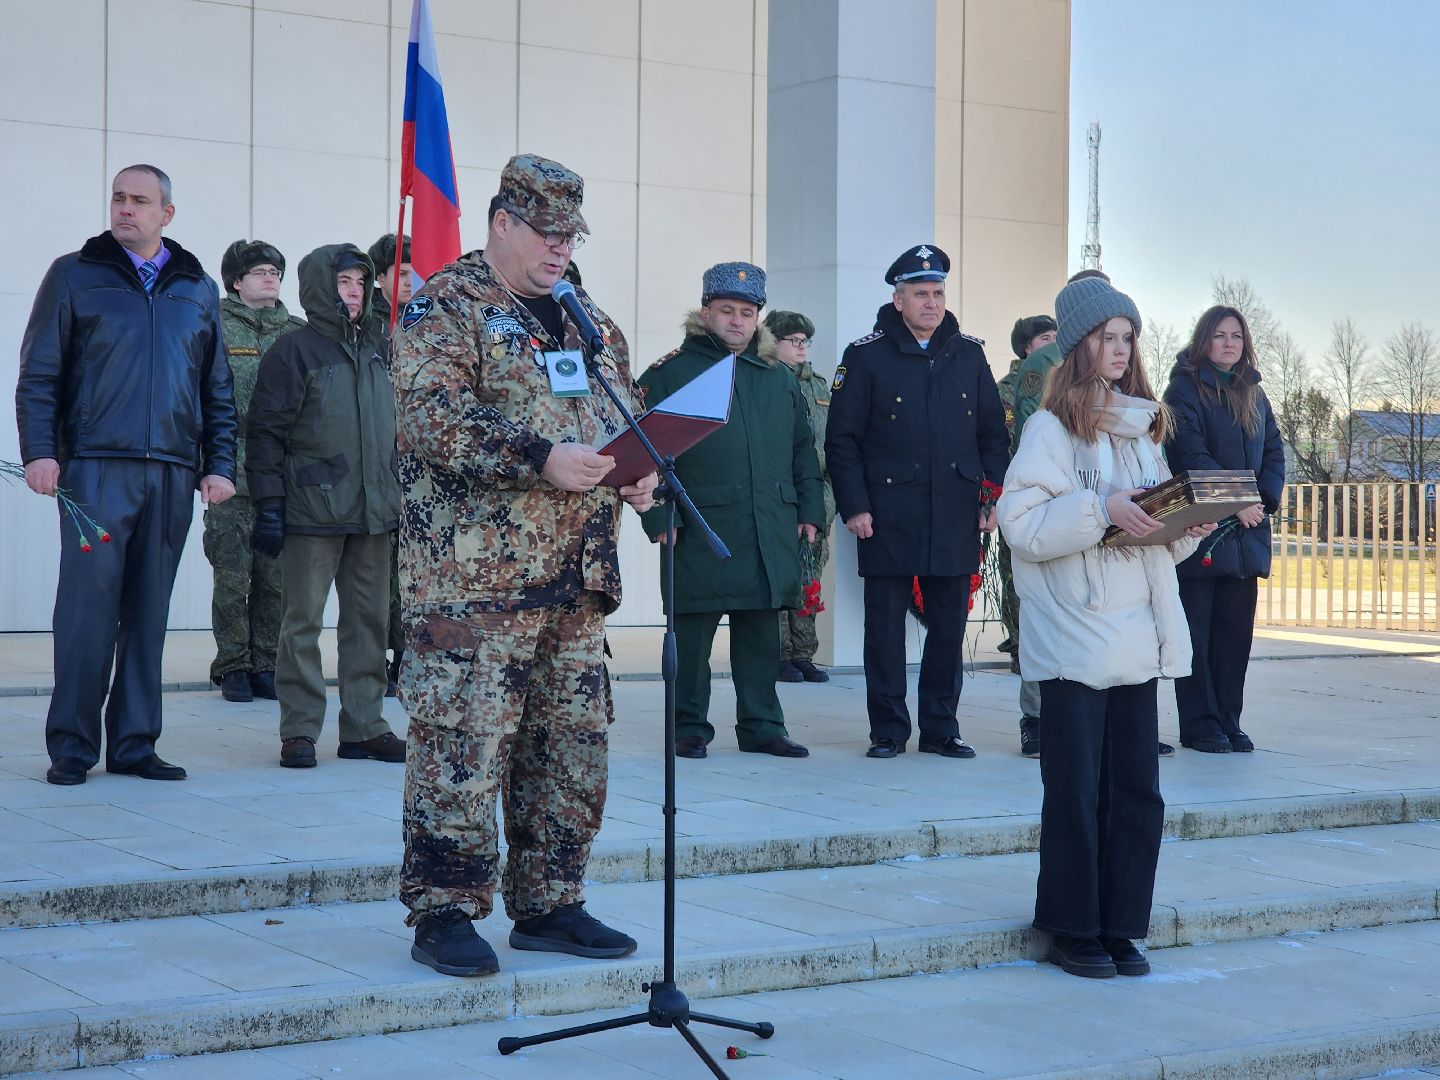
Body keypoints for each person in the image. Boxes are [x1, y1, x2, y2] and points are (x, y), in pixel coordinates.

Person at [391, 154, 658, 977]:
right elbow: (431, 416)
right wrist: (537, 455)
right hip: (474, 586)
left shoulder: (590, 320)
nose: (558, 247)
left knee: (569, 747)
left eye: (569, 233)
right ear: (501, 222)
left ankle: (549, 902)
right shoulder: (447, 305)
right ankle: (444, 910)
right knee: (463, 747)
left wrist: (640, 470)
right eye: (545, 231)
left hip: (575, 584)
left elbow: (623, 417)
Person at [998, 275, 1214, 979]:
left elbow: (1151, 538)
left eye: (1127, 338)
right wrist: (1102, 509)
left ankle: (1122, 925)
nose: (1119, 350)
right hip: (1073, 635)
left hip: (1134, 638)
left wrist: (1188, 528)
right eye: (1106, 337)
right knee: (1077, 790)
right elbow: (1021, 527)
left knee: (1137, 792)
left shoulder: (1141, 431)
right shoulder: (1048, 429)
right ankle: (1071, 927)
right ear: (1077, 344)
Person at [16, 164, 237, 785]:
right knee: (87, 611)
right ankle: (72, 745)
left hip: (170, 471)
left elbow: (215, 385)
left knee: (148, 613)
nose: (125, 209)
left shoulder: (196, 287)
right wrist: (40, 451)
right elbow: (39, 374)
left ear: (167, 213)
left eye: (140, 200)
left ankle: (136, 742)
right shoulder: (73, 274)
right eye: (118, 198)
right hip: (95, 470)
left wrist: (219, 464)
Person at [825, 245, 1009, 761]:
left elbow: (994, 434)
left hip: (955, 511)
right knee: (884, 628)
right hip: (886, 514)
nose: (932, 303)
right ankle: (887, 730)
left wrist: (991, 495)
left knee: (949, 628)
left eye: (938, 293)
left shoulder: (969, 354)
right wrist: (854, 506)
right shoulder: (866, 355)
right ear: (898, 298)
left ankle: (940, 729)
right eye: (921, 294)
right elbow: (842, 440)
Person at [639, 264, 825, 761]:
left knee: (761, 631)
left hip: (767, 523)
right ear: (705, 313)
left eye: (747, 312)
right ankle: (689, 727)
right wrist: (659, 518)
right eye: (727, 311)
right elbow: (640, 450)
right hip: (697, 525)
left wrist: (810, 509)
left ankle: (762, 725)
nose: (737, 322)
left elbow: (803, 448)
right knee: (694, 634)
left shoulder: (777, 377)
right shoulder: (670, 374)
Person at [246, 244, 405, 770]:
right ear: (320, 287)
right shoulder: (294, 351)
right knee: (302, 624)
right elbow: (265, 433)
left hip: (374, 511)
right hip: (313, 510)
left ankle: (363, 726)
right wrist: (269, 504)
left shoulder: (383, 346)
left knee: (369, 623)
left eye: (360, 282)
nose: (355, 291)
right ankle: (300, 730)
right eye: (343, 282)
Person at [1163, 306, 1285, 754]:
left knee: (1235, 636)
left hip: (1247, 535)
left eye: (1236, 335)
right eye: (1219, 335)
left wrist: (1261, 500)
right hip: (1204, 531)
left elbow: (1274, 451)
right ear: (1204, 341)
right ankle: (1200, 724)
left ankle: (1229, 721)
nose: (1229, 343)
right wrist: (1239, 503)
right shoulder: (1183, 390)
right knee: (1198, 632)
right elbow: (1191, 455)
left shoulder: (1254, 393)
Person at [208, 240, 304, 704]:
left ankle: (267, 662)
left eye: (275, 271)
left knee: (276, 577)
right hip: (230, 466)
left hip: (281, 475)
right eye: (260, 271)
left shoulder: (299, 332)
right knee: (231, 574)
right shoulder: (215, 326)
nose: (270, 278)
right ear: (236, 281)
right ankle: (233, 666)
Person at [765, 308, 835, 684]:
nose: (802, 347)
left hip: (819, 493)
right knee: (782, 575)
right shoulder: (768, 378)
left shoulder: (820, 385)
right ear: (773, 342)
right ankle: (780, 654)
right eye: (794, 341)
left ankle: (804, 652)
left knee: (812, 572)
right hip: (783, 493)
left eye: (805, 341)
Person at [997, 315, 1057, 756]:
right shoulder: (1030, 379)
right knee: (1033, 610)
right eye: (1044, 338)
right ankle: (1035, 719)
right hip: (1033, 504)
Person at [367, 232, 414, 698]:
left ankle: (409, 657)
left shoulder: (433, 321)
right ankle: (373, 660)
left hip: (421, 469)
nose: (411, 280)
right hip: (378, 467)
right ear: (379, 278)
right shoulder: (367, 327)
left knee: (415, 572)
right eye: (401, 272)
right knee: (379, 576)